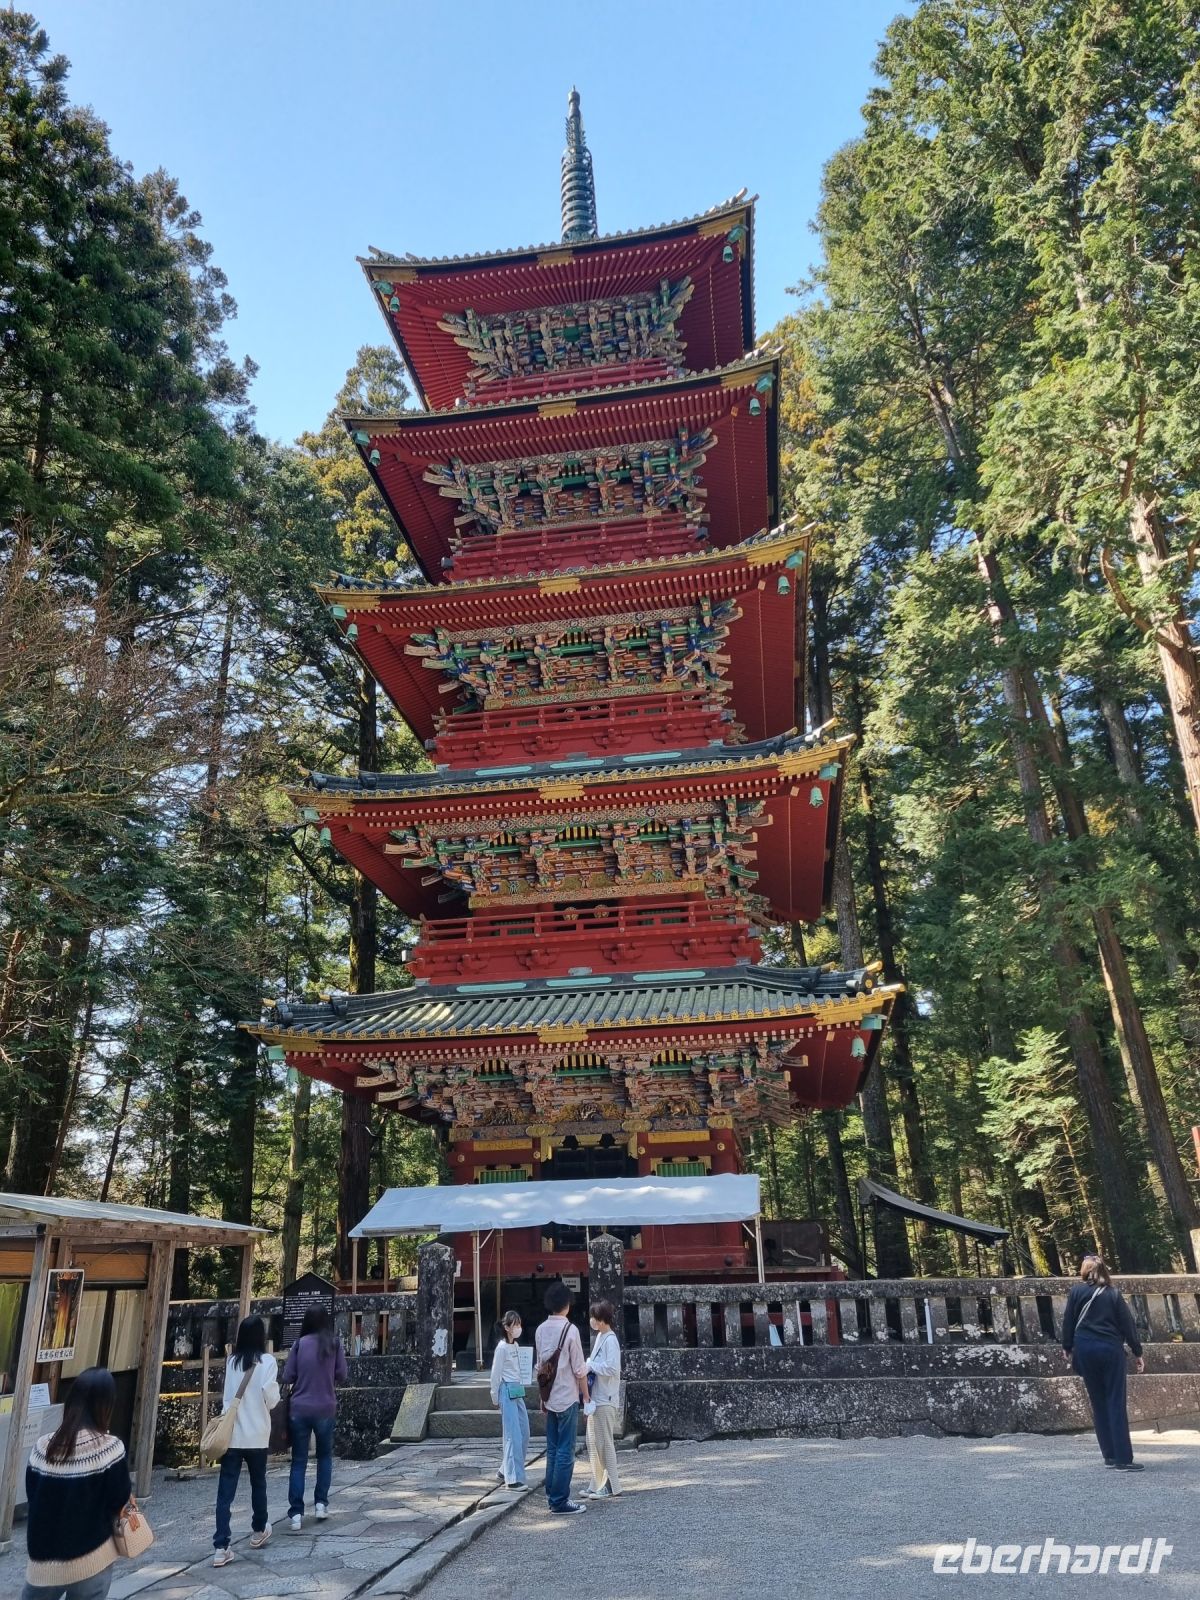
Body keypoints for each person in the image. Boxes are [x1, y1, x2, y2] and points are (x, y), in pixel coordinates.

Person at [21, 1366, 131, 1600]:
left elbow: (33, 1494)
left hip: (43, 1564)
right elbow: (118, 1500)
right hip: (91, 1559)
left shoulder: (43, 1447)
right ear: (106, 1405)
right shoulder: (109, 1448)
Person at [1061, 1253, 1145, 1471]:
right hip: (1109, 1349)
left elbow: (1068, 1320)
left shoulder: (1076, 1292)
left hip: (1085, 1349)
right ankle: (1123, 1459)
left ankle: (1108, 1455)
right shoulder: (1113, 1294)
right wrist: (1137, 1352)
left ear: (1085, 1271)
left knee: (1098, 1402)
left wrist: (1067, 1347)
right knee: (1115, 1402)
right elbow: (1128, 1325)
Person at [212, 1315, 280, 1566]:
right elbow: (271, 1398)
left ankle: (221, 1546)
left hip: (232, 1435)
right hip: (257, 1434)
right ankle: (259, 1529)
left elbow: (227, 1398)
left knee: (225, 1493)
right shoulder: (268, 1362)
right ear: (261, 1336)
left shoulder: (232, 1362)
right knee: (258, 1484)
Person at [282, 1306, 347, 1530]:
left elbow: (287, 1375)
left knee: (299, 1461)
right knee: (324, 1457)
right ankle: (320, 1504)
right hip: (325, 1407)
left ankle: (296, 1514)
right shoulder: (334, 1343)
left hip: (299, 1409)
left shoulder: (298, 1345)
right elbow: (342, 1374)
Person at [535, 1281, 589, 1515]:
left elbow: (540, 1367)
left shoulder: (539, 1330)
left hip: (549, 1396)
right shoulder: (571, 1330)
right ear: (567, 1304)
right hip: (567, 1395)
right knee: (567, 1449)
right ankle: (559, 1500)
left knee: (553, 1448)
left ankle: (552, 1494)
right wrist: (586, 1395)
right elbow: (579, 1368)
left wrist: (542, 1396)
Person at [582, 1299, 622, 1500]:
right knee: (593, 1441)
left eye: (594, 1317)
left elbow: (612, 1368)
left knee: (605, 1442)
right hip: (596, 1398)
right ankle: (596, 1482)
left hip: (606, 1397)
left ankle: (610, 1484)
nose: (592, 1321)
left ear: (602, 1319)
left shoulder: (611, 1340)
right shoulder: (600, 1337)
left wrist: (591, 1366)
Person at [489, 1309, 529, 1488]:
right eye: (515, 1324)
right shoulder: (501, 1348)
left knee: (524, 1432)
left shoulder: (516, 1346)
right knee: (512, 1434)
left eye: (519, 1324)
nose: (518, 1328)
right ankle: (513, 1479)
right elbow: (495, 1374)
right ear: (506, 1327)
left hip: (517, 1389)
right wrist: (494, 1396)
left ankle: (505, 1469)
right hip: (506, 1390)